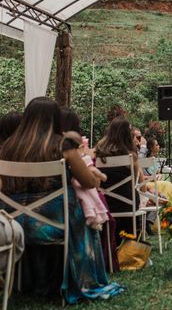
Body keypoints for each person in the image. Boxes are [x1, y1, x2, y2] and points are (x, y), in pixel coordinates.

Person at [0, 97, 123, 303]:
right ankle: (83, 280)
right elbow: (88, 182)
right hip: (55, 223)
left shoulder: (9, 147)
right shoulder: (62, 145)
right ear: (56, 119)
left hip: (13, 224)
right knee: (81, 211)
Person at [95, 116, 141, 242]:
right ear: (128, 134)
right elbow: (134, 180)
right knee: (131, 195)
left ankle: (111, 242)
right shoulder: (131, 156)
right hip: (127, 203)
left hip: (104, 204)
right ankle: (130, 244)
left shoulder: (97, 154)